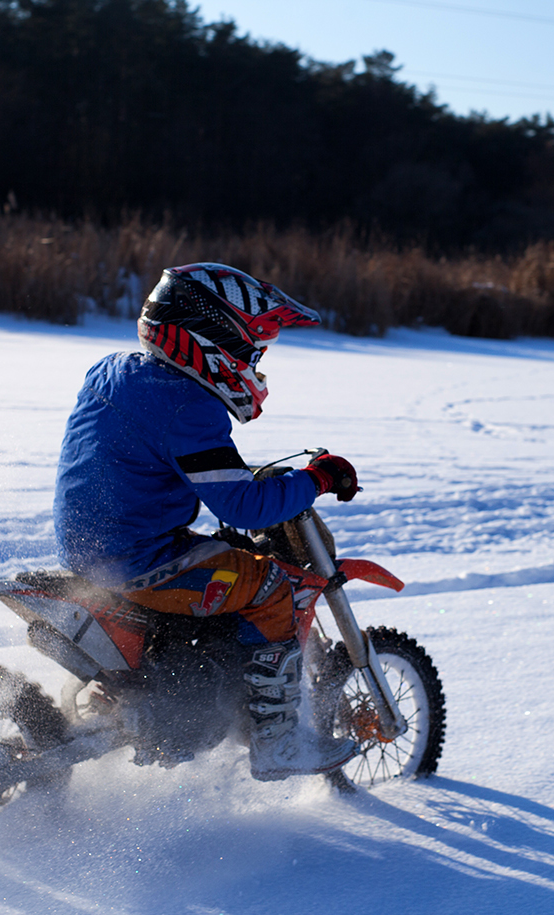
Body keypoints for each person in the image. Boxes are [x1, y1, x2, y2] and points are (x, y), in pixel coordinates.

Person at [53, 262, 361, 781]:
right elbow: (244, 507)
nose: (254, 363)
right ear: (212, 340)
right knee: (271, 584)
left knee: (218, 558)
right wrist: (319, 478)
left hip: (87, 546)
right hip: (141, 557)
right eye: (250, 351)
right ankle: (276, 743)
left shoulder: (115, 370)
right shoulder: (187, 405)